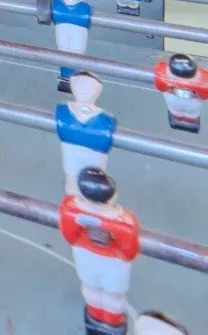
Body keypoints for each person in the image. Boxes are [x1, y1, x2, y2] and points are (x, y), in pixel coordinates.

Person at [59, 166, 139, 335]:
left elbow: (69, 234)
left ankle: (105, 326)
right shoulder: (123, 221)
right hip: (103, 260)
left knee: (103, 295)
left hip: (94, 258)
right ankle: (103, 326)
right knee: (99, 294)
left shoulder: (73, 211)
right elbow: (129, 250)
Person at [56, 72, 116, 195]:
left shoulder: (107, 121)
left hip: (95, 165)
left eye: (90, 86)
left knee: (93, 189)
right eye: (81, 84)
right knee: (72, 186)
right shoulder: (62, 112)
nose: (85, 90)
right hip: (73, 162)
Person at [51, 0, 94, 93]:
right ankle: (65, 78)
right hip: (62, 30)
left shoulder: (85, 6)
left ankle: (75, 80)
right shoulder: (56, 2)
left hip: (79, 32)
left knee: (76, 53)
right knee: (64, 53)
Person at [154, 52, 206, 134]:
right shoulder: (203, 80)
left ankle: (183, 120)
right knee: (187, 114)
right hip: (188, 107)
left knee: (182, 113)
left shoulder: (163, 76)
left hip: (178, 105)